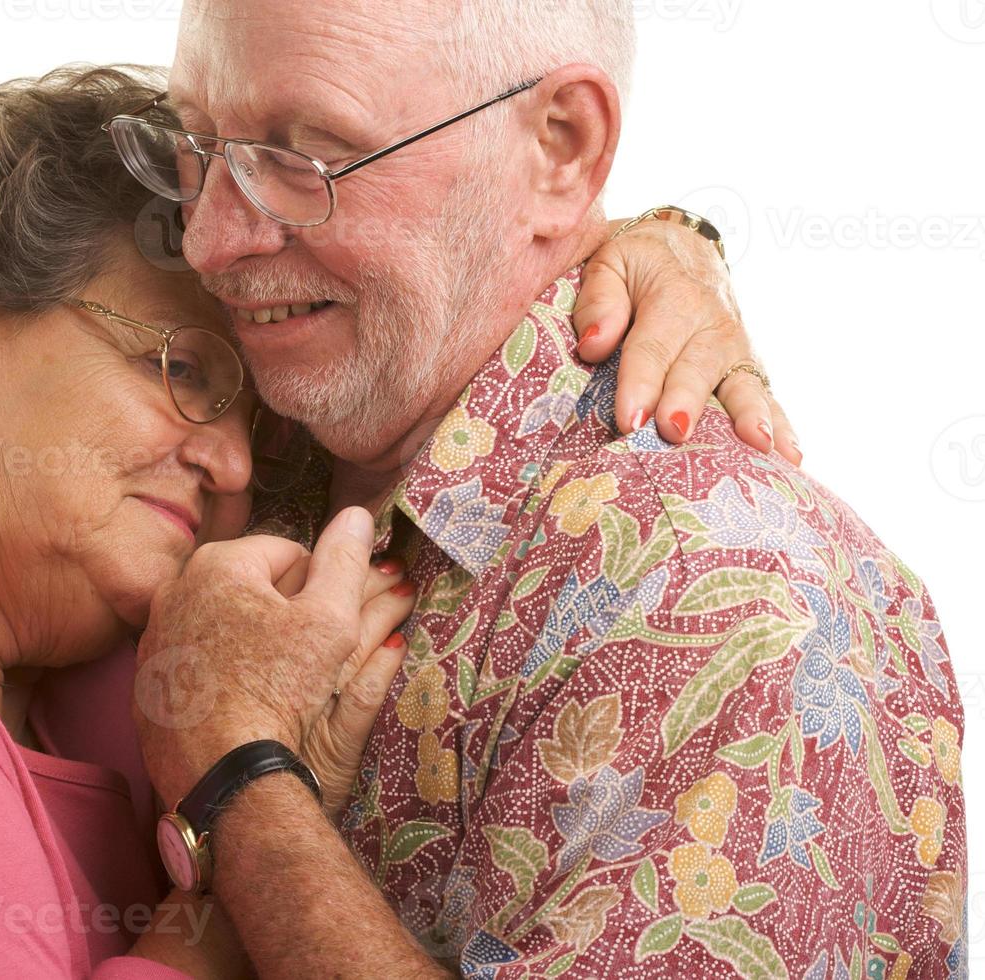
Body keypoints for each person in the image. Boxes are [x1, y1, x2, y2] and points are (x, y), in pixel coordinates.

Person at [0, 65, 777, 978]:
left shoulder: (27, 635)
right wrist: (247, 799)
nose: (229, 458)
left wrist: (647, 244)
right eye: (179, 369)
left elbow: (412, 240)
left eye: (251, 422)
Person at [123, 3, 967, 978]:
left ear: (562, 148)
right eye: (194, 143)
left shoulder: (748, 612)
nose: (207, 241)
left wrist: (235, 772)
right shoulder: (233, 406)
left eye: (307, 155)